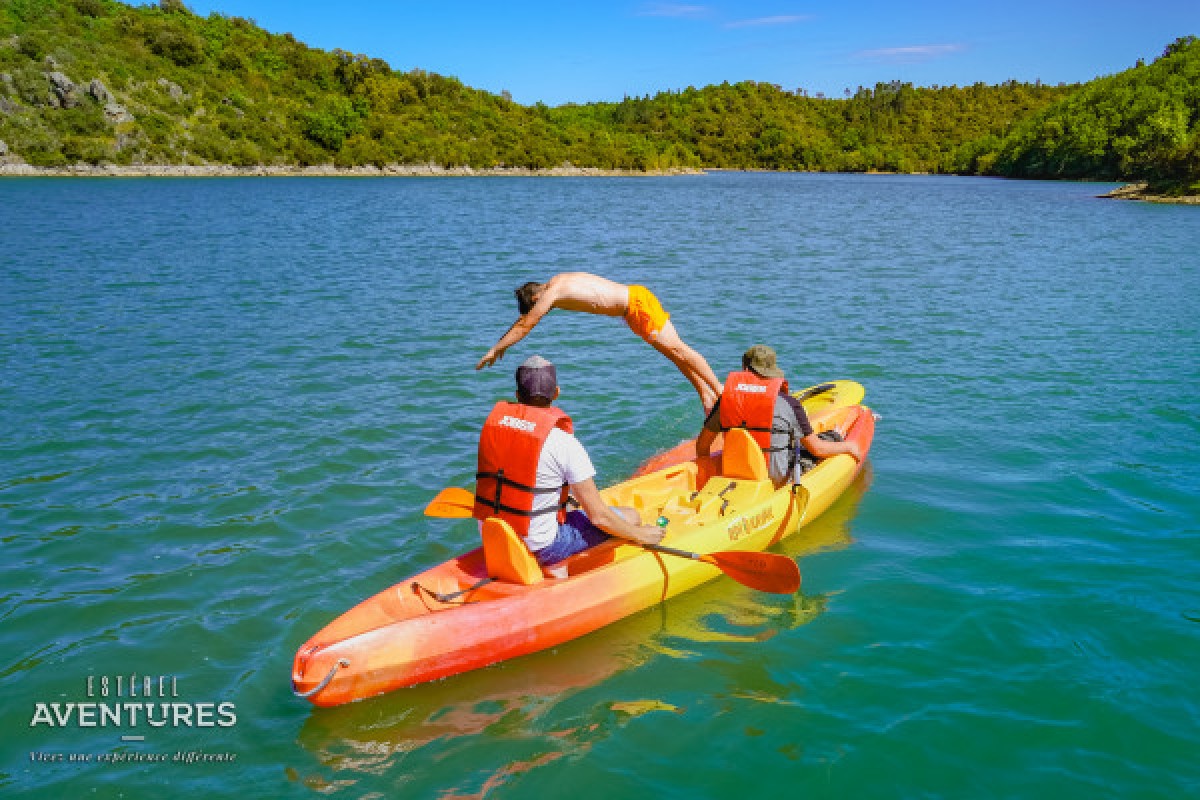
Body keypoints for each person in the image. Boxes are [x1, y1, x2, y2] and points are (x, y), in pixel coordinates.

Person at [473, 355, 665, 576]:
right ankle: (559, 565)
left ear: (517, 396)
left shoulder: (493, 430)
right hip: (543, 547)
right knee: (630, 516)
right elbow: (599, 517)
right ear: (556, 393)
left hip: (495, 537)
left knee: (572, 506)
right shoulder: (562, 442)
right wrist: (641, 535)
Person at [475, 272, 723, 412]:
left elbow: (526, 324)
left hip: (637, 306)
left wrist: (496, 349)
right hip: (631, 311)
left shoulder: (553, 293)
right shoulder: (559, 281)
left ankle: (719, 390)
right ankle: (705, 395)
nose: (543, 311)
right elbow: (524, 320)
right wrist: (500, 344)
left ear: (536, 296)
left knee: (679, 349)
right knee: (673, 354)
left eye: (537, 306)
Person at [696, 345, 861, 488]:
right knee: (818, 443)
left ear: (745, 368)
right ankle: (836, 435)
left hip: (735, 474)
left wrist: (706, 475)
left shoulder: (727, 400)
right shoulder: (789, 404)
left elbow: (702, 446)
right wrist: (849, 447)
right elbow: (818, 449)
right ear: (772, 372)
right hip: (776, 479)